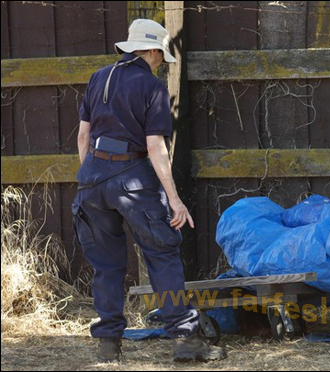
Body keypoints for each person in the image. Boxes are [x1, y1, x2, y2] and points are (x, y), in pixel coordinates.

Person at [72, 18, 226, 363]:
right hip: (134, 180)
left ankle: (109, 344)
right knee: (162, 255)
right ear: (154, 51)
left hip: (92, 179)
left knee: (106, 265)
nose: (160, 63)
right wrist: (174, 199)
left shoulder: (99, 78)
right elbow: (155, 146)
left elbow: (83, 137)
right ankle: (185, 341)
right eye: (161, 57)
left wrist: (91, 175)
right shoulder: (152, 87)